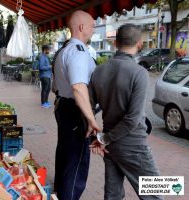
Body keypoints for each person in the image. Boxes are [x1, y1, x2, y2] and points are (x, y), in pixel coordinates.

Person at [89, 24, 163, 200]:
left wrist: (100, 138)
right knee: (156, 195)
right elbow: (132, 119)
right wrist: (104, 139)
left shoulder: (98, 71)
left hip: (111, 146)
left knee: (113, 195)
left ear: (115, 43)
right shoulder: (139, 73)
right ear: (139, 44)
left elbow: (89, 109)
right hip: (133, 145)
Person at [53, 10, 101, 200]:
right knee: (77, 161)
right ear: (81, 27)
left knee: (65, 154)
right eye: (91, 25)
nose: (93, 28)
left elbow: (56, 86)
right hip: (76, 110)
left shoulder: (63, 51)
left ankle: (60, 192)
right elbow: (79, 89)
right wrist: (90, 119)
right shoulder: (79, 53)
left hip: (63, 106)